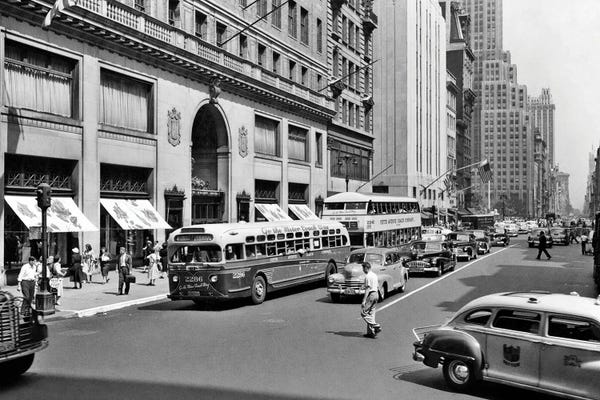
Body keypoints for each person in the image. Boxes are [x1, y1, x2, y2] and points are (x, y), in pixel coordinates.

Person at [360, 262, 382, 339]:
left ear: (366, 268)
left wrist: (364, 300)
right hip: (376, 293)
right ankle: (370, 333)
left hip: (371, 294)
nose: (363, 270)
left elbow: (368, 289)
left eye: (363, 268)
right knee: (371, 313)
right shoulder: (374, 275)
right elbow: (378, 286)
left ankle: (375, 325)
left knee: (364, 313)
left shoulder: (368, 276)